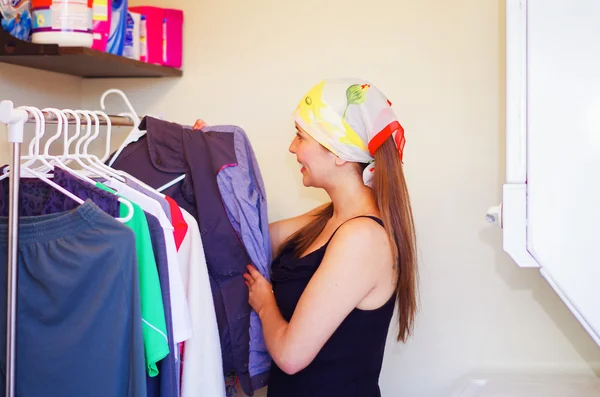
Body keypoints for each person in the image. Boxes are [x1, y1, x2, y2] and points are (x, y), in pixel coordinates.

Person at [193, 78, 418, 397]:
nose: (292, 147)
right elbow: (250, 240)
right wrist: (206, 160)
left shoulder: (363, 237)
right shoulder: (328, 217)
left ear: (339, 152)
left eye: (301, 136)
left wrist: (265, 301)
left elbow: (290, 355)